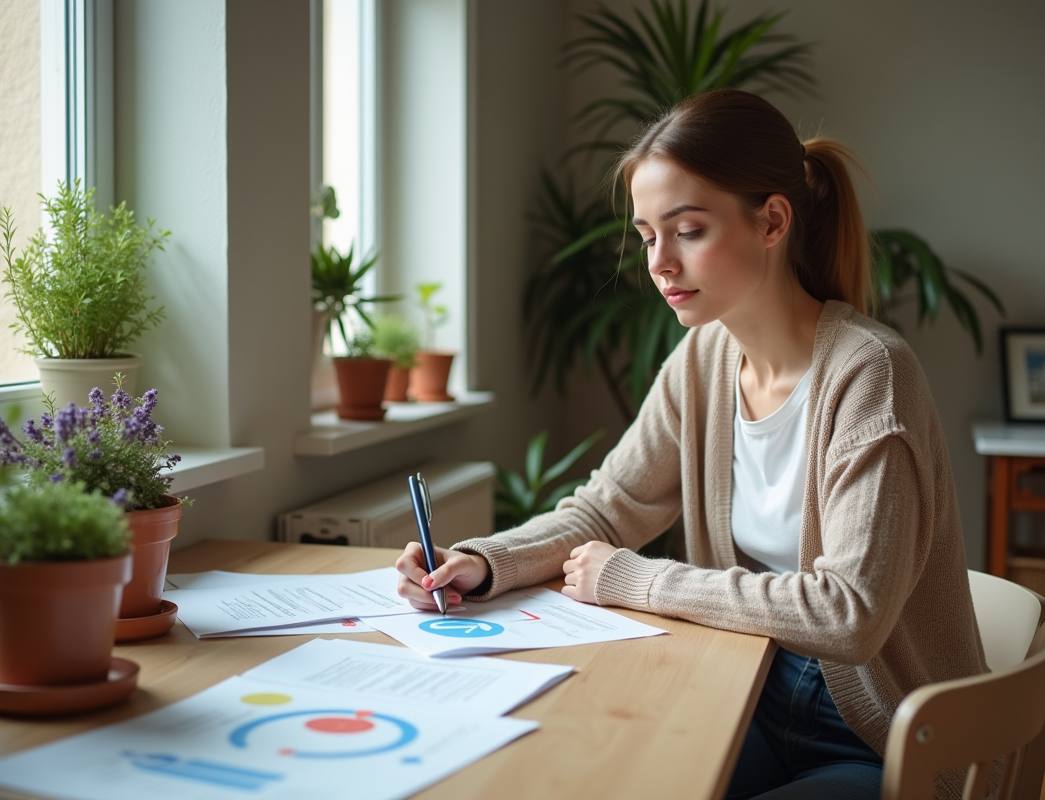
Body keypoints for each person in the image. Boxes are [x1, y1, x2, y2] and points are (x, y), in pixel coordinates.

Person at [395, 88, 985, 800]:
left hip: (877, 739)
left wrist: (635, 579)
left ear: (771, 221)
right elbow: (608, 512)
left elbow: (848, 615)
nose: (659, 263)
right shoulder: (703, 360)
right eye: (647, 235)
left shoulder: (870, 375)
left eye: (688, 230)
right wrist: (483, 563)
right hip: (743, 698)